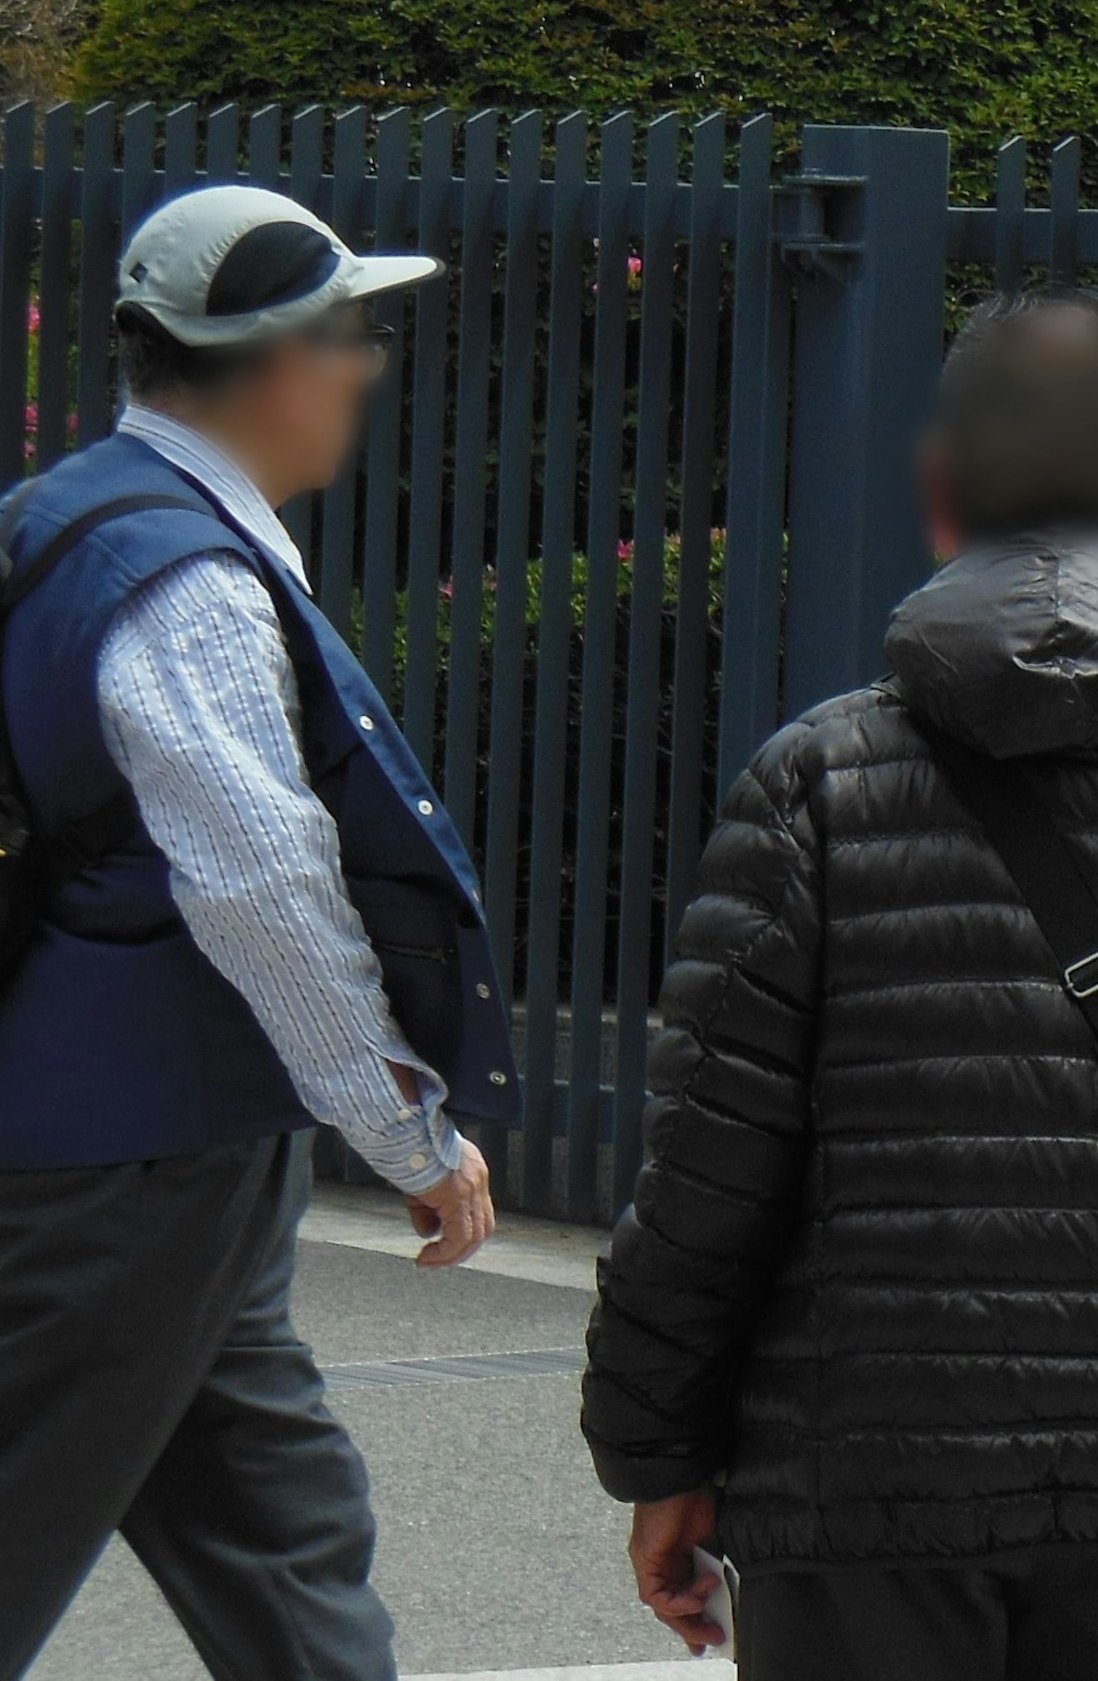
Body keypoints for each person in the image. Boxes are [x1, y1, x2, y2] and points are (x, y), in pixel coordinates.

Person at [582, 288, 1098, 1681]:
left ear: (939, 495)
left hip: (854, 1485)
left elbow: (706, 1173)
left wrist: (659, 1450)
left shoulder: (818, 782)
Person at [0, 185, 509, 1681]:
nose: (367, 365)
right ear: (276, 358)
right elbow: (258, 879)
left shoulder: (64, 514)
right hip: (132, 1159)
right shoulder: (189, 579)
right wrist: (404, 1121)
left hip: (146, 1132)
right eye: (354, 333)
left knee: (277, 1519)